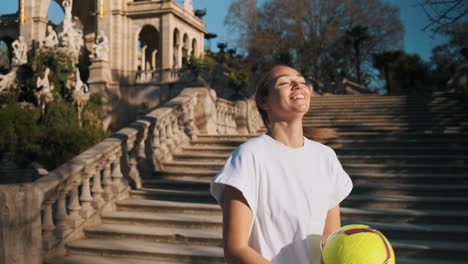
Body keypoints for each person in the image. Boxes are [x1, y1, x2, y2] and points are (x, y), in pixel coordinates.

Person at [210, 65, 353, 263]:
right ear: (263, 101)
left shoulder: (326, 157)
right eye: (285, 82)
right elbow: (235, 249)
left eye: (302, 82)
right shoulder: (248, 157)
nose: (298, 85)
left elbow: (330, 242)